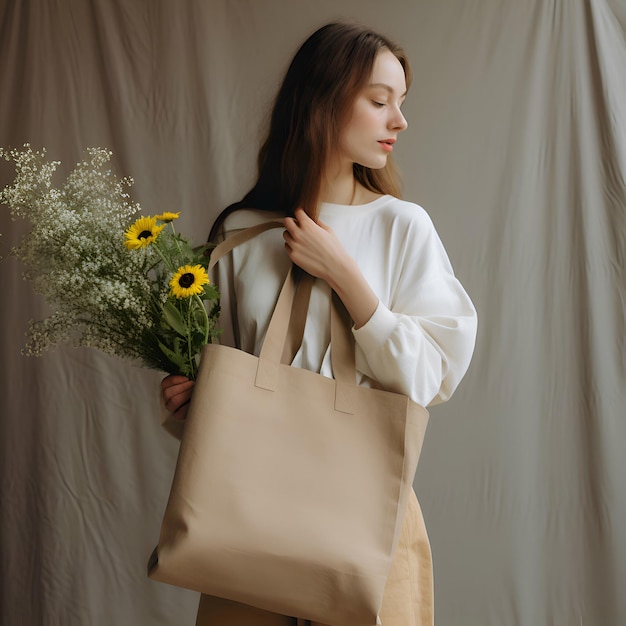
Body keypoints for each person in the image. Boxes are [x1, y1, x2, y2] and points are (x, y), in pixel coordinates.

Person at [161, 21, 477, 626]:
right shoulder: (240, 233)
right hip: (251, 512)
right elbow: (227, 370)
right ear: (323, 100)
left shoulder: (401, 227)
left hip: (367, 516)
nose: (399, 121)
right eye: (380, 101)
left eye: (401, 103)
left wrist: (349, 281)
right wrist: (190, 401)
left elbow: (432, 375)